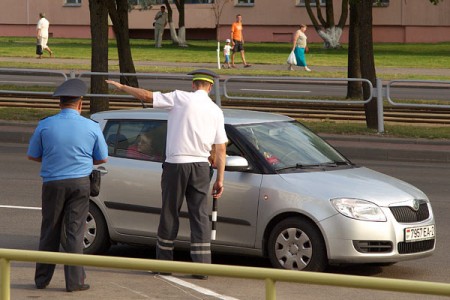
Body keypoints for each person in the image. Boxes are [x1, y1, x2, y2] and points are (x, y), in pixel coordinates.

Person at [106, 69, 227, 280]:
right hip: (200, 166)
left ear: (193, 84)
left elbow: (146, 96)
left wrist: (123, 87)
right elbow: (221, 149)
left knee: (170, 212)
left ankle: (163, 263)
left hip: (176, 164)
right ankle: (202, 267)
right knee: (199, 215)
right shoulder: (216, 110)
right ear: (210, 87)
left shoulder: (180, 98)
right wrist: (220, 179)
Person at [27, 78, 108, 292]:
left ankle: (42, 280)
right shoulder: (91, 126)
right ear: (80, 103)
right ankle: (75, 282)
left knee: (49, 231)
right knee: (75, 232)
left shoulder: (45, 124)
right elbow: (102, 158)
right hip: (80, 184)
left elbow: (33, 155)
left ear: (59, 103)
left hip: (53, 183)